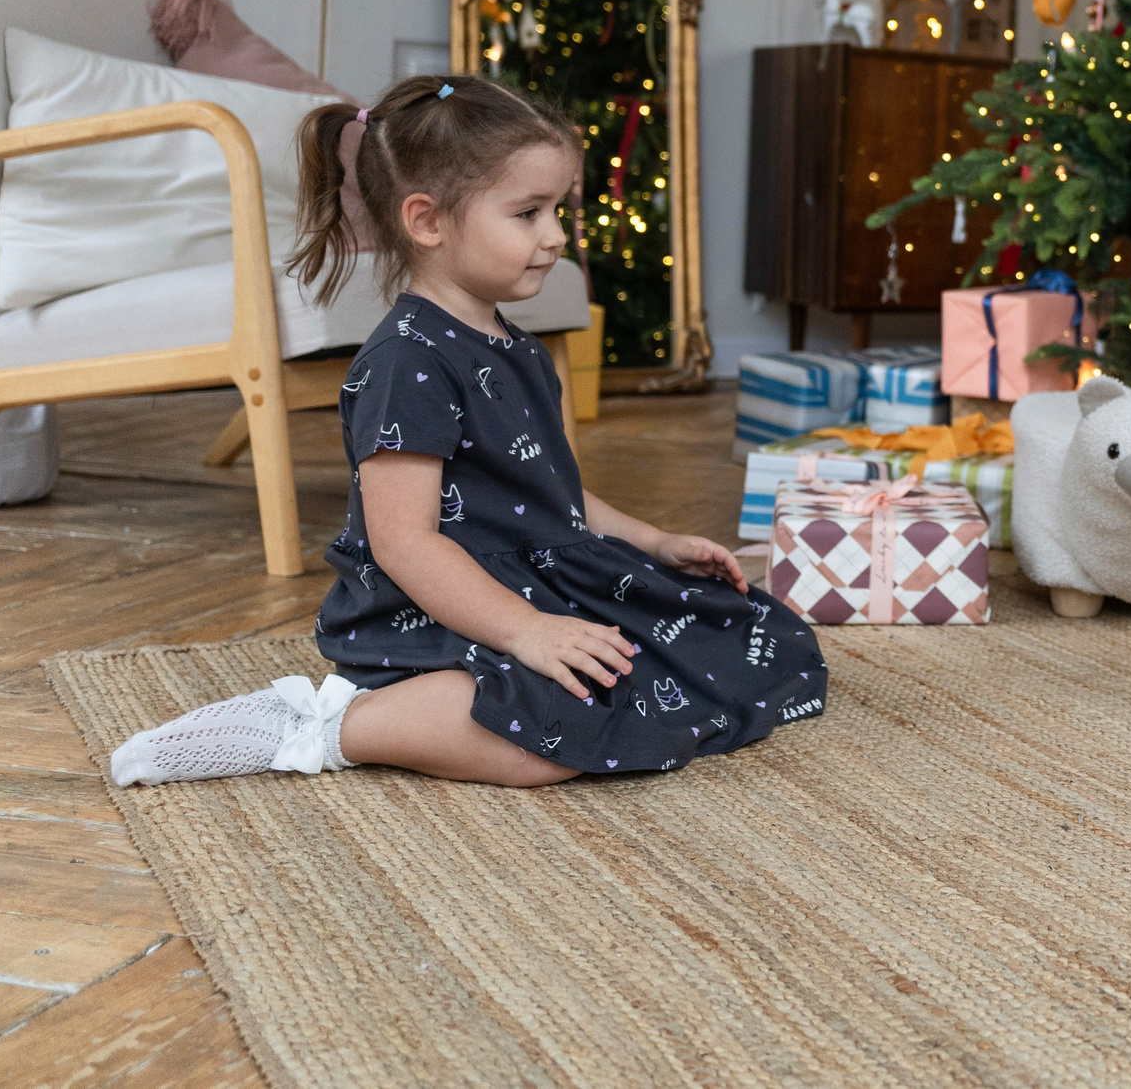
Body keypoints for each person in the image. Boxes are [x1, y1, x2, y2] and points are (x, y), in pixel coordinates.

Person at [110, 76, 827, 788]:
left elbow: (558, 493)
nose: (554, 236)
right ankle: (322, 727)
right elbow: (404, 542)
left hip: (540, 584)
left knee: (753, 638)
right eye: (527, 213)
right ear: (427, 221)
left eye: (557, 210)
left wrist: (654, 542)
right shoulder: (406, 361)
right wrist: (524, 630)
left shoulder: (520, 346)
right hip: (431, 611)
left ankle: (465, 692)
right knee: (551, 738)